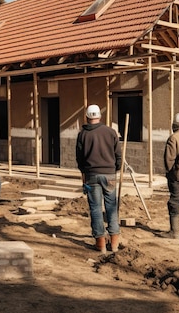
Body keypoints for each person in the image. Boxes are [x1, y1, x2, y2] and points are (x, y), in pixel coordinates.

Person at [76, 104, 122, 253]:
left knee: (95, 208)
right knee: (111, 207)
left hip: (91, 176)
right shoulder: (111, 132)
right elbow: (118, 154)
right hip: (109, 175)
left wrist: (84, 172)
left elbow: (79, 158)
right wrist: (117, 168)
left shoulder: (83, 134)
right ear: (99, 117)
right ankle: (114, 243)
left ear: (87, 117)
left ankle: (100, 243)